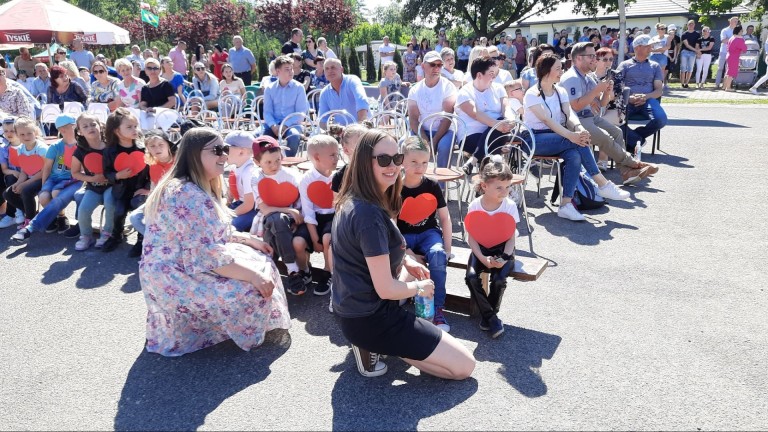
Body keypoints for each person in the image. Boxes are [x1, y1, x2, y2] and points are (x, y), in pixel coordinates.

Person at [332, 129, 475, 379]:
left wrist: (407, 260)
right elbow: (386, 289)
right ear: (365, 162)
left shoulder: (359, 197)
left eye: (397, 159)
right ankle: (378, 344)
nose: (393, 166)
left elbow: (373, 252)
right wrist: (421, 287)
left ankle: (386, 343)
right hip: (370, 317)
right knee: (464, 367)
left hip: (353, 306)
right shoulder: (368, 215)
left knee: (411, 279)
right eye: (384, 160)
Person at [139, 127, 291, 357]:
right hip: (176, 274)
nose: (224, 156)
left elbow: (208, 233)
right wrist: (254, 276)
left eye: (226, 149)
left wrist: (246, 238)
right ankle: (233, 329)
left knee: (255, 256)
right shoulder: (187, 194)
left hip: (178, 265)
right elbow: (206, 258)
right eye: (217, 150)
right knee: (254, 283)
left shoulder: (191, 185)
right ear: (193, 155)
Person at [561, 42, 658, 187]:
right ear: (579, 58)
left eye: (594, 56)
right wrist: (595, 91)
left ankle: (626, 172)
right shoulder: (572, 77)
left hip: (588, 116)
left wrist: (606, 92)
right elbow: (575, 106)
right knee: (605, 138)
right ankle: (633, 163)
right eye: (591, 56)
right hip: (575, 120)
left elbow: (602, 104)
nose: (595, 59)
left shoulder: (588, 77)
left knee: (617, 132)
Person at [397, 137, 453, 331]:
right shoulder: (395, 187)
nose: (419, 167)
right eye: (414, 162)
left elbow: (445, 218)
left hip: (428, 233)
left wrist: (447, 249)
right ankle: (403, 296)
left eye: (424, 162)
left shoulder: (431, 185)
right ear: (402, 160)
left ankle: (437, 309)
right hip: (403, 237)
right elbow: (390, 227)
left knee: (437, 255)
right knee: (404, 263)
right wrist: (407, 252)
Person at [464, 156, 518, 337]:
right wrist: (482, 258)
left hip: (503, 250)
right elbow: (472, 237)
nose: (505, 191)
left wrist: (503, 258)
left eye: (508, 187)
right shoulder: (474, 206)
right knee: (471, 277)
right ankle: (492, 318)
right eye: (499, 187)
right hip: (480, 249)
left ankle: (489, 317)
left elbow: (511, 239)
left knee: (498, 280)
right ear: (484, 186)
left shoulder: (509, 206)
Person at [249, 136, 307, 295]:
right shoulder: (256, 178)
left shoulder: (291, 175)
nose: (274, 165)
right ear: (257, 162)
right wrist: (288, 211)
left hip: (291, 218)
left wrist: (295, 215)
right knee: (276, 219)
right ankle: (293, 270)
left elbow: (301, 202)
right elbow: (265, 209)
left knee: (277, 228)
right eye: (268, 162)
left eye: (277, 160)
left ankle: (273, 267)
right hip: (269, 217)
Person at [11, 114, 81, 242]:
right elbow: (47, 168)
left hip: (75, 179)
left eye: (71, 127)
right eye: (64, 128)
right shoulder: (55, 147)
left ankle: (31, 227)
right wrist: (44, 186)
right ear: (61, 130)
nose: (68, 130)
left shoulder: (82, 145)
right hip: (55, 178)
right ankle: (55, 219)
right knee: (43, 196)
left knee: (56, 193)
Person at [296, 134, 339, 296]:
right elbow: (308, 212)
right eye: (332, 155)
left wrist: (321, 240)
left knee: (328, 238)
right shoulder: (306, 180)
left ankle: (328, 272)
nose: (337, 158)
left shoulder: (338, 177)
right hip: (313, 220)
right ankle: (304, 271)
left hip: (332, 217)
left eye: (337, 153)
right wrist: (314, 239)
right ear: (316, 157)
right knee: (298, 242)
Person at [102, 108, 149, 253]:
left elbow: (152, 171)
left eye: (135, 126)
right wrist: (117, 176)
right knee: (119, 211)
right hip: (121, 189)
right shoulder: (110, 151)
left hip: (140, 189)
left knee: (138, 208)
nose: (135, 130)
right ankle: (116, 235)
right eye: (129, 127)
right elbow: (107, 172)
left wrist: (147, 187)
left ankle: (142, 240)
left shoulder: (143, 148)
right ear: (117, 131)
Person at [455, 57, 512, 173]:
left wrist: (510, 120)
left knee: (502, 122)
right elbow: (476, 113)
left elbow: (506, 107)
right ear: (479, 75)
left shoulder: (499, 88)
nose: (494, 77)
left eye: (495, 73)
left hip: (498, 133)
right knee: (494, 154)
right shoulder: (465, 92)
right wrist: (498, 125)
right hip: (471, 135)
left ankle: (473, 160)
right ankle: (494, 185)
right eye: (491, 74)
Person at [617, 35, 668, 151]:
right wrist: (629, 98)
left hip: (648, 100)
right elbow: (617, 87)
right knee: (613, 119)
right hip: (627, 101)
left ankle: (634, 137)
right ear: (638, 47)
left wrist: (645, 97)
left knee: (661, 119)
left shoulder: (655, 66)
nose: (651, 48)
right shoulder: (624, 65)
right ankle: (636, 140)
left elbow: (659, 90)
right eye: (648, 46)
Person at [407, 51, 456, 169]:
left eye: (439, 65)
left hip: (444, 130)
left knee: (444, 147)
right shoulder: (415, 89)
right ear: (423, 66)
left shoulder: (448, 87)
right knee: (402, 144)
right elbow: (413, 119)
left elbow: (447, 117)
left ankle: (441, 186)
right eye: (433, 64)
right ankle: (411, 183)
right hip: (421, 129)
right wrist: (424, 141)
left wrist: (434, 141)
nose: (436, 68)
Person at [2, 116, 48, 228]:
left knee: (26, 191)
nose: (26, 137)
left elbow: (45, 170)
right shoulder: (20, 149)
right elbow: (24, 170)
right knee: (8, 193)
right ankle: (31, 214)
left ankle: (30, 220)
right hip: (30, 178)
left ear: (35, 132)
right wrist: (18, 183)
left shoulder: (41, 148)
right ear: (17, 135)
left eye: (29, 133)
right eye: (22, 134)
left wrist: (24, 184)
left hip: (43, 178)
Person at [263, 55, 310, 156]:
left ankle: (289, 163)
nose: (291, 72)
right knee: (260, 138)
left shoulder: (299, 88)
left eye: (292, 69)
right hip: (273, 125)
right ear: (278, 71)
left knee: (293, 136)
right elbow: (267, 112)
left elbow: (300, 113)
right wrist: (273, 125)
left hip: (292, 124)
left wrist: (285, 125)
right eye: (287, 69)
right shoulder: (270, 89)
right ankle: (268, 165)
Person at [221, 131, 259, 232]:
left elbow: (249, 204)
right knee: (215, 219)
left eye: (226, 149)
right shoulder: (235, 168)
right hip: (241, 204)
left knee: (229, 227)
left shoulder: (249, 172)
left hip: (255, 209)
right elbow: (230, 196)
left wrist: (229, 214)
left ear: (241, 152)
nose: (223, 153)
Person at [318, 58, 370, 126]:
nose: (330, 71)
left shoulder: (352, 81)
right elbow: (322, 119)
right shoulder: (324, 92)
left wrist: (360, 127)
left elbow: (362, 102)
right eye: (326, 69)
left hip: (362, 128)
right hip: (340, 133)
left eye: (333, 67)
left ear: (341, 69)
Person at [0, 117, 25, 229]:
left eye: (12, 131)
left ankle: (20, 212)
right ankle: (14, 214)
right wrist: (14, 172)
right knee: (10, 179)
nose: (8, 134)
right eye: (5, 131)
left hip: (28, 175)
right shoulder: (4, 149)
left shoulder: (26, 145)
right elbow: (4, 169)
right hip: (13, 175)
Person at [714, 17, 740, 88]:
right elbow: (723, 40)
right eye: (735, 21)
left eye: (737, 22)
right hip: (723, 51)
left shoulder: (737, 31)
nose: (736, 23)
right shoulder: (725, 30)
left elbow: (739, 41)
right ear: (730, 22)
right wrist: (734, 40)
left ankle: (725, 85)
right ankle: (717, 83)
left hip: (732, 53)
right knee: (720, 68)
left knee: (728, 69)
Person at [723, 25, 747, 92]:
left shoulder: (731, 38)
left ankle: (725, 86)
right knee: (731, 72)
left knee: (728, 71)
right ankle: (728, 87)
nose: (742, 32)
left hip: (729, 55)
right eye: (742, 31)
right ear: (739, 31)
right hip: (734, 57)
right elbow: (744, 49)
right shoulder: (739, 39)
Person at [679, 20, 700, 88]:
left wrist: (697, 51)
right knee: (683, 68)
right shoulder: (684, 34)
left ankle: (686, 83)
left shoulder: (697, 34)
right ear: (687, 25)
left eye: (692, 24)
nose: (691, 25)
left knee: (690, 68)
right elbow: (687, 45)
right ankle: (682, 83)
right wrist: (696, 51)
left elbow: (697, 44)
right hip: (685, 52)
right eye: (689, 24)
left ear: (694, 25)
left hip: (693, 53)